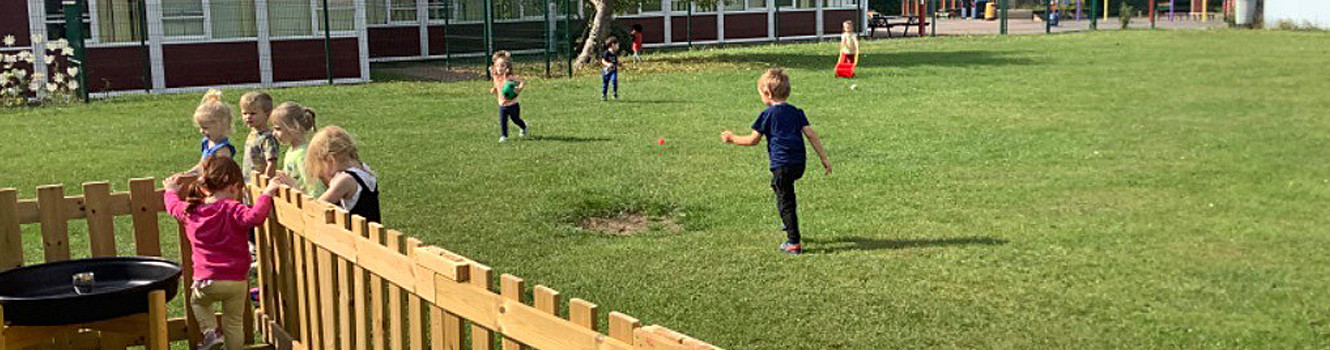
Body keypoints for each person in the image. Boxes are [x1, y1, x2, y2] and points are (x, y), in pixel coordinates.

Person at [164, 157, 290, 350]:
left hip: (206, 281)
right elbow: (255, 217)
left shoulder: (192, 210)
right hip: (236, 281)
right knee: (234, 324)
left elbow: (173, 207)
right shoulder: (232, 208)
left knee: (197, 302)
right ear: (232, 187)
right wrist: (267, 193)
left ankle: (210, 332)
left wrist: (170, 191)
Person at [719, 69, 831, 254]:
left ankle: (793, 242)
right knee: (779, 187)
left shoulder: (768, 114)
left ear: (768, 94)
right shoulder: (796, 112)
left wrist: (732, 138)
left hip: (782, 165)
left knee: (786, 200)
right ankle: (788, 224)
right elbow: (811, 134)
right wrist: (824, 158)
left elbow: (752, 140)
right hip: (798, 164)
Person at [306, 125, 381, 223]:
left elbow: (317, 207)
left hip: (354, 237)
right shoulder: (363, 169)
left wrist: (294, 186)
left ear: (330, 160)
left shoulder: (345, 180)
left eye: (321, 167)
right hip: (371, 235)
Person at [270, 101, 325, 197]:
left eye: (278, 129)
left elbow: (315, 190)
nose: (273, 133)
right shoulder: (292, 151)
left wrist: (291, 183)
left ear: (295, 127)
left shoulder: (303, 155)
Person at [188, 89, 237, 175]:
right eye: (200, 127)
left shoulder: (222, 150)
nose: (201, 131)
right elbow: (202, 165)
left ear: (221, 126)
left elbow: (220, 174)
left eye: (205, 128)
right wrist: (188, 173)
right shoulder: (207, 143)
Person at [239, 91, 279, 183]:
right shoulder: (252, 134)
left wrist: (266, 181)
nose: (248, 117)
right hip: (248, 181)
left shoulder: (267, 138)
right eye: (245, 113)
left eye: (253, 113)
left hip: (259, 182)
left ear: (267, 114)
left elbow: (272, 162)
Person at [488, 54, 529, 143]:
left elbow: (521, 81)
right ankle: (504, 136)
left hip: (513, 105)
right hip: (502, 105)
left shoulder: (509, 77)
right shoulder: (495, 77)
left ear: (507, 67)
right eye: (497, 66)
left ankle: (524, 126)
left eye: (502, 65)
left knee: (515, 119)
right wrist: (494, 89)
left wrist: (519, 89)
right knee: (503, 121)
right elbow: (497, 86)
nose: (500, 68)